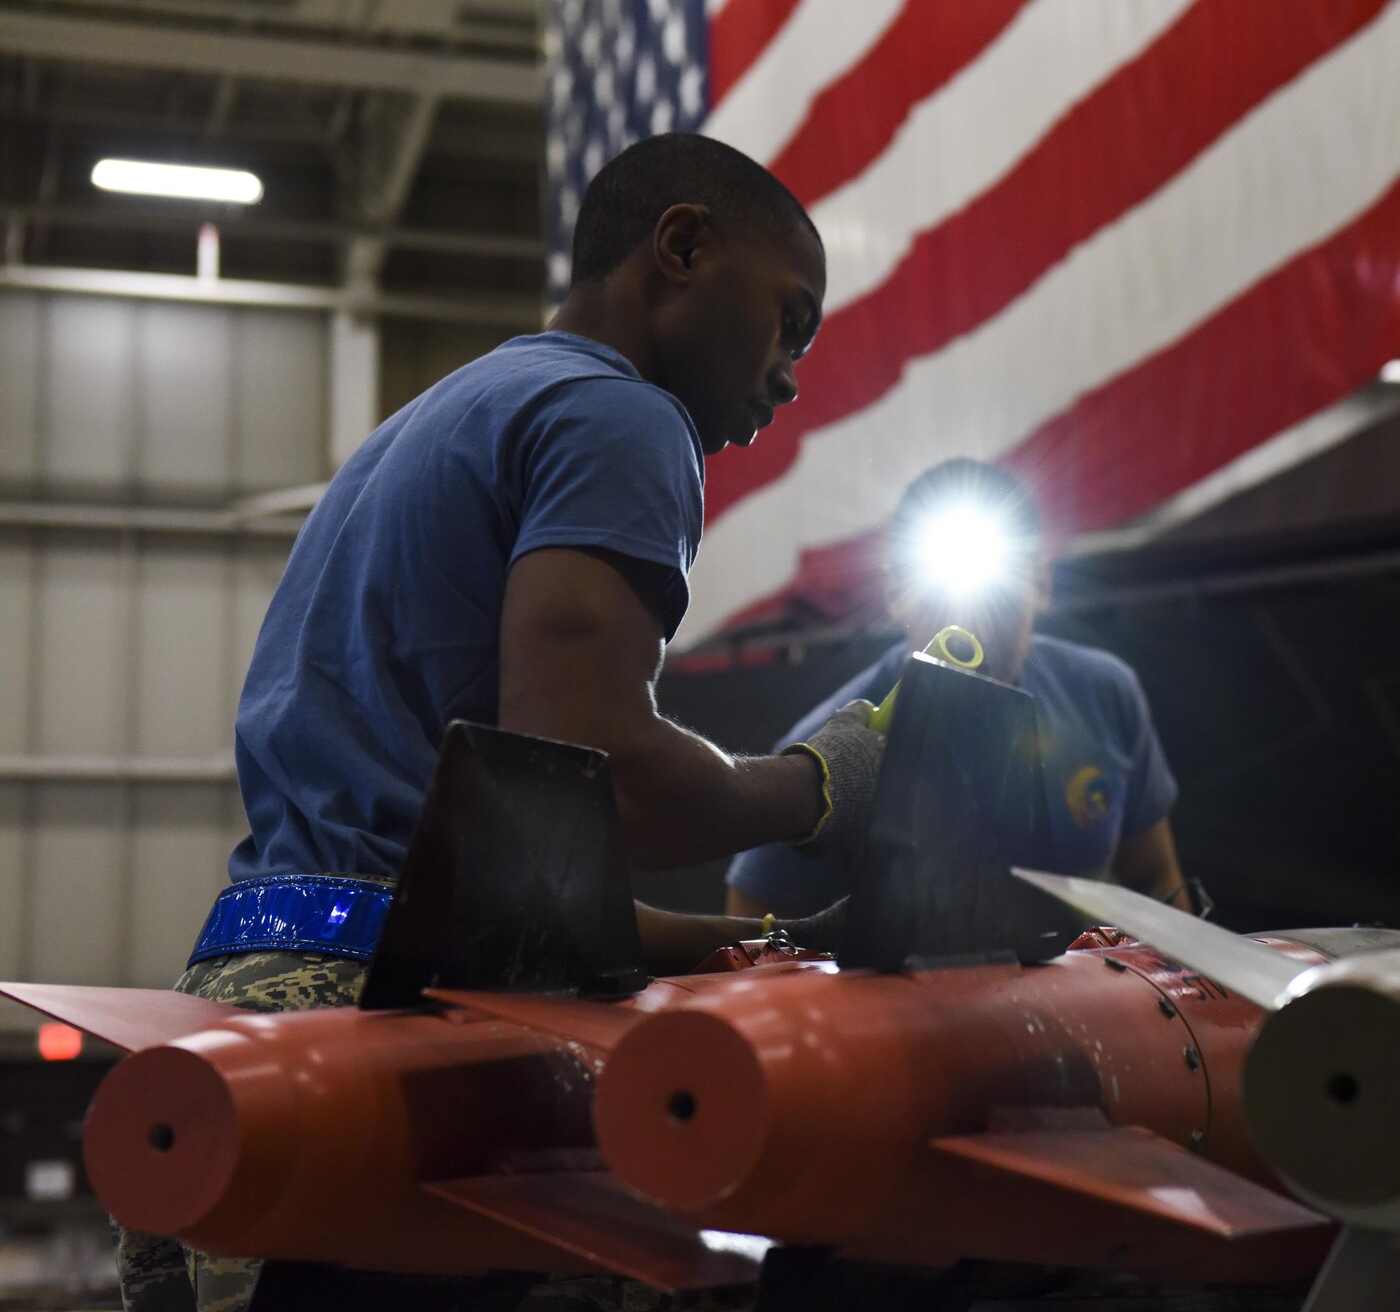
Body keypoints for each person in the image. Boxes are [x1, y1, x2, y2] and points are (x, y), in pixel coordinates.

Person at [119, 134, 874, 1312]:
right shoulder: (623, 419)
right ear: (680, 247)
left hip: (239, 1026)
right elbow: (599, 776)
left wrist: (759, 940)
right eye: (790, 321)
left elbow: (483, 866)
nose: (787, 375)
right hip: (407, 1058)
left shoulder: (433, 422)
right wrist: (819, 787)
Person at [725, 459, 1194, 922]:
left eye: (996, 592)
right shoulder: (831, 754)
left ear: (1043, 582)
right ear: (895, 594)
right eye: (944, 593)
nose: (972, 622)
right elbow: (752, 928)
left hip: (1080, 992)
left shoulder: (1104, 695)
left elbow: (1158, 884)